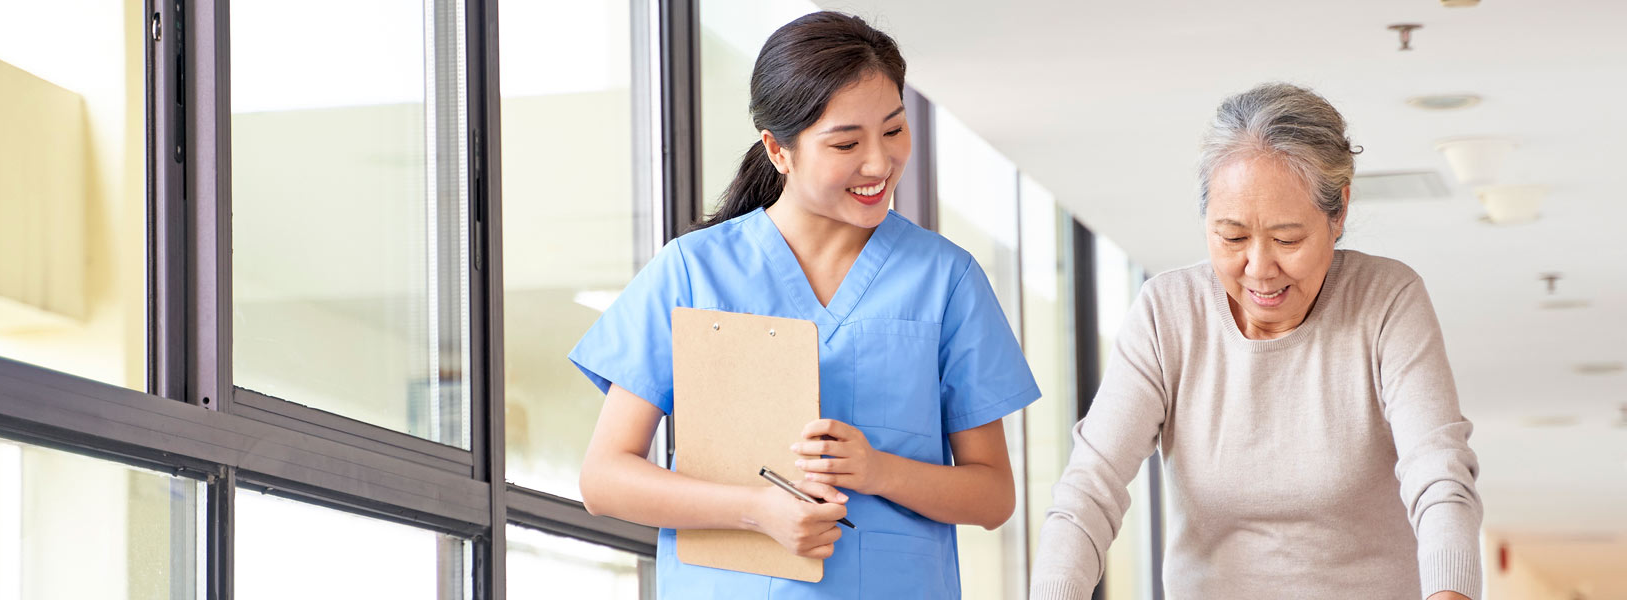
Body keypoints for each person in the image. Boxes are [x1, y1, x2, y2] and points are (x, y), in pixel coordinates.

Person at [572, 11, 1039, 599]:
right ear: (779, 150)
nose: (879, 163)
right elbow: (605, 478)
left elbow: (993, 496)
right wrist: (754, 511)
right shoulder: (694, 271)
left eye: (894, 131)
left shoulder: (947, 279)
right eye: (847, 142)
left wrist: (879, 471)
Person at [1029, 83, 1483, 600]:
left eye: (1288, 239)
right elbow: (1090, 489)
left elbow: (1439, 476)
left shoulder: (1387, 301)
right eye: (1233, 237)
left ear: (1338, 214)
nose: (1260, 269)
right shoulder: (1167, 314)